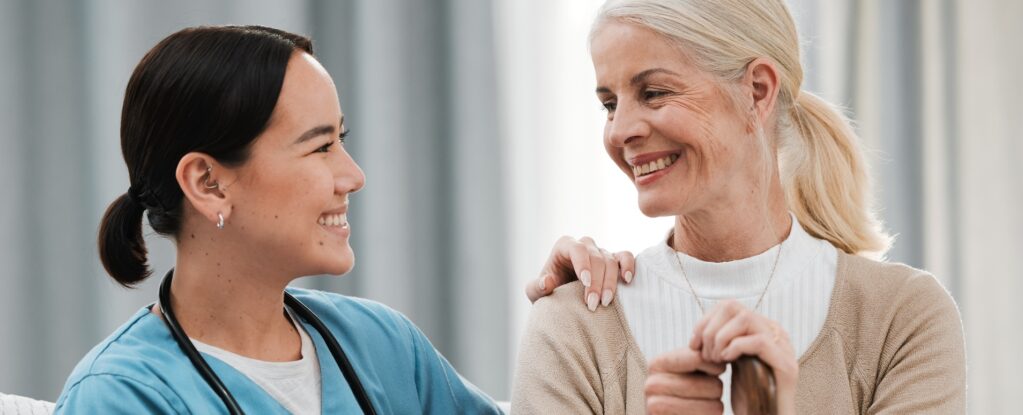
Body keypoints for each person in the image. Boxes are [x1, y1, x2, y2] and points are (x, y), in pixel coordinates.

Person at [54, 25, 631, 414]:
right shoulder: (120, 395)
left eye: (342, 140)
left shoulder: (381, 345)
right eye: (319, 147)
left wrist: (571, 312)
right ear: (208, 183)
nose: (353, 176)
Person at [511, 0, 966, 414]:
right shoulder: (573, 326)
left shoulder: (901, 318)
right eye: (610, 104)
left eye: (654, 93)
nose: (620, 130)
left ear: (758, 90)